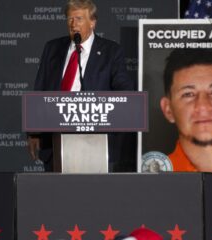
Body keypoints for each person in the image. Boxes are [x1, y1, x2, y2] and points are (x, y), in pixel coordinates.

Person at [27, 0, 134, 171]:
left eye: (79, 19)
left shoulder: (111, 51)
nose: (73, 24)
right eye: (69, 19)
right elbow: (40, 89)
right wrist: (34, 131)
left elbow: (125, 91)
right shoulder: (52, 48)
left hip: (96, 141)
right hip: (56, 139)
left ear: (92, 22)